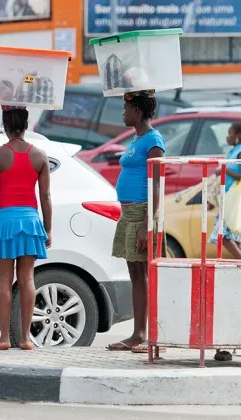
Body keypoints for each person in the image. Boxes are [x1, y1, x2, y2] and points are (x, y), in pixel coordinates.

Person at [0, 105, 52, 351]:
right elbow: (46, 197)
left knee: (3, 281)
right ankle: (25, 338)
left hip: (3, 222)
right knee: (28, 279)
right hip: (31, 221)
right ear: (26, 124)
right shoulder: (40, 156)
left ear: (5, 125)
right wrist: (48, 229)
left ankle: (4, 338)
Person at [107, 90, 166, 353]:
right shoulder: (137, 139)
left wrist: (146, 224)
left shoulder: (154, 141)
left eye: (126, 108)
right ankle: (138, 333)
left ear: (138, 111)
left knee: (145, 274)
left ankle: (152, 335)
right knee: (135, 273)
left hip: (142, 213)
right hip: (129, 214)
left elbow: (156, 186)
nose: (123, 113)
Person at [209, 122, 241, 362]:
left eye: (229, 133)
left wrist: (224, 170)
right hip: (227, 196)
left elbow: (238, 172)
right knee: (226, 233)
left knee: (224, 233)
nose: (227, 137)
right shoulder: (233, 151)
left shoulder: (238, 152)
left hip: (233, 197)